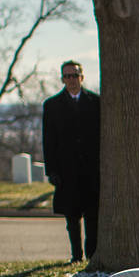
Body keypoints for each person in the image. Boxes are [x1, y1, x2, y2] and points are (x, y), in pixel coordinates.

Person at [42, 61, 101, 263]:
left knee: (92, 216)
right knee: (72, 216)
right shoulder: (52, 105)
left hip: (91, 170)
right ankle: (76, 255)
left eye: (75, 75)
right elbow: (48, 140)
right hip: (67, 170)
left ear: (82, 77)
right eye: (67, 76)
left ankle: (92, 254)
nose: (71, 80)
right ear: (62, 79)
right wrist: (51, 170)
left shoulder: (95, 102)